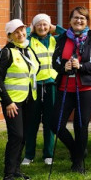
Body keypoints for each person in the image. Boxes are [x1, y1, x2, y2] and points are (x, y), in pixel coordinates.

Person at [50, 6, 91, 174]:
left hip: (86, 88)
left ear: (86, 21)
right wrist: (63, 66)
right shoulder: (62, 39)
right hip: (65, 87)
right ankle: (76, 150)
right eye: (75, 18)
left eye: (82, 18)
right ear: (70, 20)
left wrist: (80, 66)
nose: (78, 21)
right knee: (55, 123)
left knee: (81, 126)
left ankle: (78, 163)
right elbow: (55, 62)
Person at [0, 19, 38, 180]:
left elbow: (37, 68)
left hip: (29, 99)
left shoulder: (28, 50)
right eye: (16, 32)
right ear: (10, 36)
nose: (20, 34)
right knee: (16, 136)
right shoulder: (6, 53)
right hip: (13, 102)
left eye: (22, 30)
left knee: (25, 136)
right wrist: (7, 101)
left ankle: (16, 169)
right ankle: (7, 177)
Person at [24, 14, 58, 167]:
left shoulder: (55, 39)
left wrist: (55, 28)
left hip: (51, 84)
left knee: (50, 121)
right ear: (34, 26)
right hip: (35, 85)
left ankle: (48, 154)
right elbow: (19, 36)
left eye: (45, 25)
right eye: (39, 24)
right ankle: (29, 154)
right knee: (32, 121)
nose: (42, 27)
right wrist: (30, 28)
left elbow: (68, 33)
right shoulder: (29, 40)